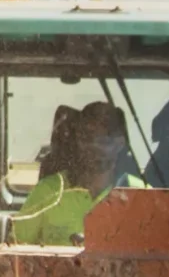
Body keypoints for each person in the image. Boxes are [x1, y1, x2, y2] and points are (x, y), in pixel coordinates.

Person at [11, 100, 137, 246]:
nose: (93, 147)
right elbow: (14, 250)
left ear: (120, 144)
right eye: (87, 138)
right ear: (77, 140)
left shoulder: (139, 194)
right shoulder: (48, 191)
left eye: (102, 141)